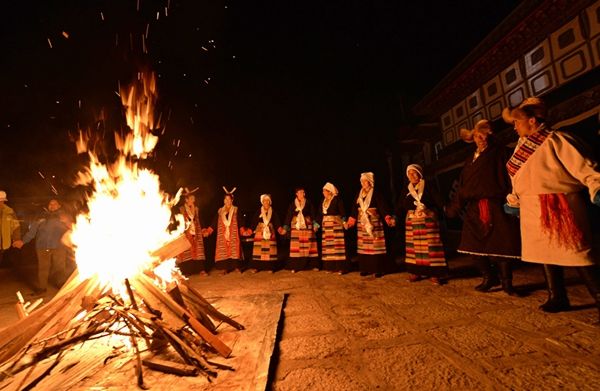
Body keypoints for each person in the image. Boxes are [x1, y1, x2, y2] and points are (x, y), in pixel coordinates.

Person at [502, 97, 600, 317]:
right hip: (532, 207)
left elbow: (584, 167)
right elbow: (518, 178)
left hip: (559, 204)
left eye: (518, 122)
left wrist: (597, 186)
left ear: (533, 121)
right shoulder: (521, 146)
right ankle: (557, 295)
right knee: (544, 252)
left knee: (577, 253)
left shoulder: (557, 140)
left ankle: (598, 295)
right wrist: (515, 200)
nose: (515, 127)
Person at [445, 119, 522, 296]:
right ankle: (488, 277)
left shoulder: (501, 153)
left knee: (502, 245)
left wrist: (513, 199)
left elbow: (512, 177)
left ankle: (507, 283)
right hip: (474, 208)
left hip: (497, 204)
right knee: (472, 245)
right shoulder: (469, 161)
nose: (482, 139)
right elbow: (463, 187)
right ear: (473, 138)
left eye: (485, 135)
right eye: (478, 136)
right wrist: (453, 208)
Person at [399, 164, 448, 285]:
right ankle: (416, 272)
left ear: (420, 174)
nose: (412, 175)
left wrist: (445, 208)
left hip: (428, 219)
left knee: (431, 247)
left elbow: (438, 200)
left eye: (414, 172)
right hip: (412, 221)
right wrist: (393, 216)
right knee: (414, 249)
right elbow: (400, 204)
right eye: (409, 173)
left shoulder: (428, 185)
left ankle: (435, 274)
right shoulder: (407, 189)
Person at [346, 172, 395, 277]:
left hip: (374, 221)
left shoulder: (376, 193)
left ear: (370, 182)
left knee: (375, 244)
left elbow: (382, 206)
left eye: (365, 181)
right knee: (364, 246)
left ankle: (378, 269)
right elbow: (355, 208)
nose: (363, 183)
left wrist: (387, 216)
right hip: (362, 222)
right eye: (362, 181)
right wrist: (352, 219)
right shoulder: (359, 194)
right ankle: (365, 268)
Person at [22, 198, 71, 294]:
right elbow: (32, 231)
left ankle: (61, 286)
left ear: (59, 205)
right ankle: (42, 288)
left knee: (60, 268)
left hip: (59, 247)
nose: (52, 206)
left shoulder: (64, 216)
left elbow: (72, 228)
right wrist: (23, 241)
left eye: (55, 204)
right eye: (50, 204)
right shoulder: (41, 216)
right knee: (43, 268)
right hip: (42, 246)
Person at [205, 187, 244, 274]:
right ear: (223, 201)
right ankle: (224, 269)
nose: (227, 201)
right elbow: (214, 222)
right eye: (225, 199)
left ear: (232, 200)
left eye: (229, 199)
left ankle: (237, 267)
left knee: (234, 250)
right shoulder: (220, 211)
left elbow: (240, 221)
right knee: (223, 251)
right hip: (222, 235)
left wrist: (242, 230)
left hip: (233, 234)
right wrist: (209, 231)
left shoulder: (236, 210)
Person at [283, 187, 319, 272]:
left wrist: (315, 224)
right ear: (296, 194)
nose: (302, 194)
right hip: (296, 227)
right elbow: (289, 215)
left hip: (307, 226)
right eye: (300, 192)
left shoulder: (308, 203)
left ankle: (313, 265)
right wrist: (285, 227)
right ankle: (295, 266)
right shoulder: (292, 204)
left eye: (303, 192)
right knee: (297, 247)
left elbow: (313, 213)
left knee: (309, 245)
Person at [248, 194, 285, 273]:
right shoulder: (258, 211)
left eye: (268, 200)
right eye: (264, 200)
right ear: (262, 202)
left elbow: (277, 222)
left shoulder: (273, 212)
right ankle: (256, 267)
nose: (266, 202)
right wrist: (250, 230)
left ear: (270, 202)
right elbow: (254, 221)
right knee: (258, 251)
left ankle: (270, 267)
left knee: (270, 250)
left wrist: (280, 229)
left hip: (270, 231)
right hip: (260, 232)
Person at [316, 182, 348, 274]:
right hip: (326, 228)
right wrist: (316, 225)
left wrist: (345, 221)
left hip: (336, 226)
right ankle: (330, 267)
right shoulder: (323, 201)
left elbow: (342, 212)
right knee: (329, 247)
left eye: (324, 191)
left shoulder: (337, 200)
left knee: (338, 247)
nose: (323, 192)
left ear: (329, 191)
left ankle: (341, 268)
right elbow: (319, 214)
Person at [176, 188, 208, 276]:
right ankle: (186, 272)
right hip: (186, 233)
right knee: (187, 252)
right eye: (191, 198)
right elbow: (178, 222)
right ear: (186, 200)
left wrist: (204, 229)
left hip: (196, 232)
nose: (193, 200)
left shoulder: (196, 209)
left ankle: (201, 270)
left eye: (194, 198)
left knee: (199, 251)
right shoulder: (181, 209)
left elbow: (200, 219)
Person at [0, 190, 24, 265]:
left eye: (2, 201)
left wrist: (16, 239)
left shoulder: (10, 212)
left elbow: (15, 226)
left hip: (3, 244)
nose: (0, 203)